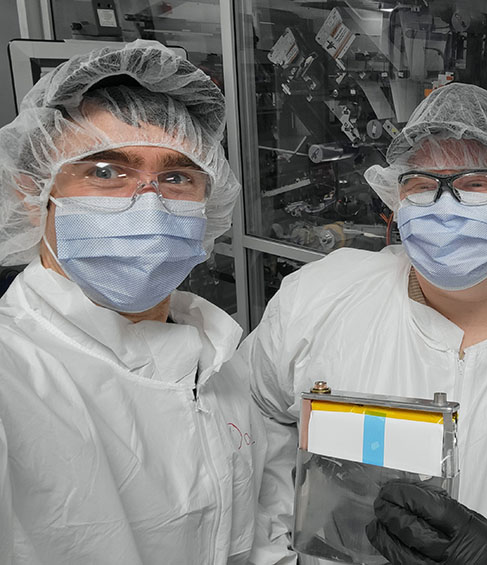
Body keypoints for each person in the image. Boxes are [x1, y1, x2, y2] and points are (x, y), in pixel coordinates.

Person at [234, 82, 487, 563]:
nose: (446, 206)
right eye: (422, 186)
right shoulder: (320, 299)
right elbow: (249, 425)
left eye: (476, 183)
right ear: (397, 200)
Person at [0, 40, 282, 564]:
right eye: (105, 172)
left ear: (210, 198)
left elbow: (256, 528)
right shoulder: (14, 373)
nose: (148, 205)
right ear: (33, 191)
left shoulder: (221, 360)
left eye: (175, 177)